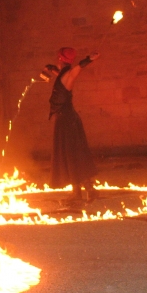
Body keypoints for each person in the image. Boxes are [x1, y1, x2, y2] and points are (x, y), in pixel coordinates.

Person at [48, 47, 100, 205]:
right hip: (66, 120)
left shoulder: (70, 74)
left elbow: (76, 70)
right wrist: (51, 69)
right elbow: (62, 78)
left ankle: (89, 189)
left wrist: (89, 59)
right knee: (69, 156)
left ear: (60, 58)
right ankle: (78, 192)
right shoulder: (64, 75)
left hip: (68, 121)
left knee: (73, 155)